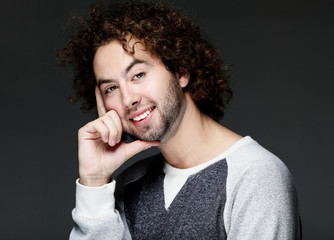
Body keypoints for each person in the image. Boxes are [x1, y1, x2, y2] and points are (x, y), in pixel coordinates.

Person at [58, 1, 300, 239]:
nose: (128, 99)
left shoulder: (256, 177)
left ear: (181, 71)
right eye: (111, 88)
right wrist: (94, 181)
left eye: (138, 74)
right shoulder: (128, 185)